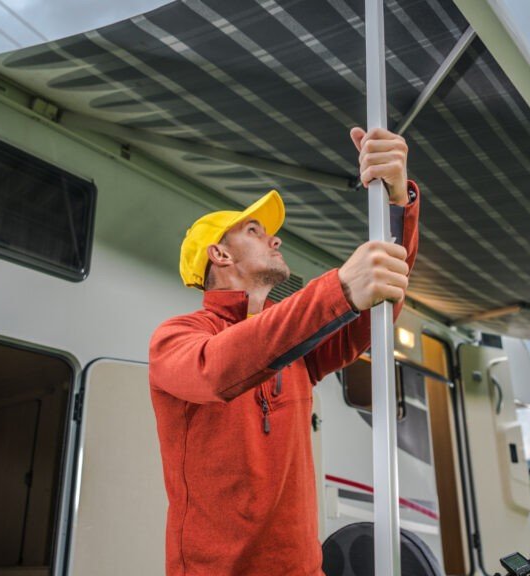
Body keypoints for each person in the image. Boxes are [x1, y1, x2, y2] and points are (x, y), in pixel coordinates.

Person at [148, 127, 420, 575]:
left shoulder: (297, 347)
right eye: (255, 231)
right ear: (219, 254)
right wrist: (337, 288)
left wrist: (396, 207)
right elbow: (216, 369)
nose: (275, 239)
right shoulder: (177, 337)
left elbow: (381, 298)